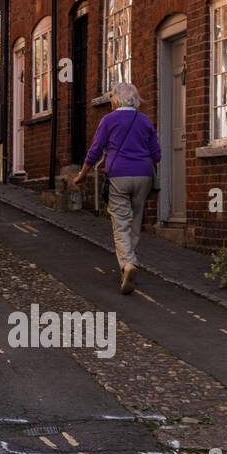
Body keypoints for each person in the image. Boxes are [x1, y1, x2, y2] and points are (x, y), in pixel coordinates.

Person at [72, 81, 161, 295]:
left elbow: (95, 151)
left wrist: (82, 175)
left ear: (115, 99)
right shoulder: (145, 121)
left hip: (118, 176)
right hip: (143, 176)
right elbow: (157, 155)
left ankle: (128, 264)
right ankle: (130, 261)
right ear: (135, 99)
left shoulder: (108, 120)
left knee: (120, 223)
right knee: (135, 220)